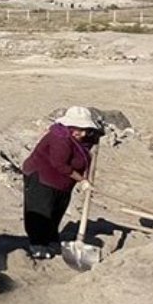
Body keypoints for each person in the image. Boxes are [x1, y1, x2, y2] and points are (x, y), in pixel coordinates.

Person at [21, 106, 101, 260]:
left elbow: (93, 139)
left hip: (64, 181)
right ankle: (37, 244)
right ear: (69, 126)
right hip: (42, 176)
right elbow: (60, 164)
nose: (82, 133)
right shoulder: (59, 138)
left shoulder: (83, 137)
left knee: (57, 210)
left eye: (85, 129)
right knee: (41, 210)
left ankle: (51, 238)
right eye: (78, 129)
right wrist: (83, 180)